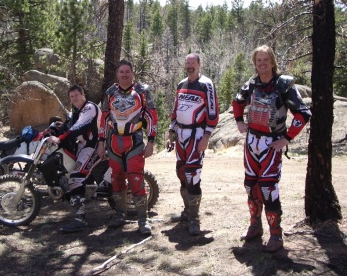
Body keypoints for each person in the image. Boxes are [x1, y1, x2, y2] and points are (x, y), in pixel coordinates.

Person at [232, 45, 312, 253]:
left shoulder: (284, 85)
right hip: (251, 142)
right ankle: (255, 226)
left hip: (272, 143)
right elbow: (237, 101)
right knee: (251, 186)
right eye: (258, 60)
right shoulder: (251, 84)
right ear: (254, 62)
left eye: (265, 60)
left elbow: (302, 114)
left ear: (273, 61)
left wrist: (286, 138)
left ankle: (276, 234)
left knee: (268, 188)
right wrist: (239, 121)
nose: (262, 64)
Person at [97, 59, 158, 235]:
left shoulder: (142, 91)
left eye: (127, 72)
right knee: (116, 179)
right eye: (121, 72)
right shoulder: (110, 92)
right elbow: (104, 119)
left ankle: (143, 220)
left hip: (135, 141)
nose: (124, 75)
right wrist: (101, 143)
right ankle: (119, 215)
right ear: (117, 74)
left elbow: (152, 117)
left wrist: (151, 142)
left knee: (136, 179)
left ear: (132, 73)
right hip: (114, 141)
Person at [166, 53, 219, 235]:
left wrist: (207, 136)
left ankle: (194, 219)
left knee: (193, 174)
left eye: (192, 63)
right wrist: (170, 132)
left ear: (199, 64)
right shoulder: (181, 84)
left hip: (197, 135)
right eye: (187, 63)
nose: (190, 66)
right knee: (181, 172)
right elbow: (175, 110)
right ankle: (187, 211)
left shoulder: (206, 84)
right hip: (180, 134)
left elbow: (213, 112)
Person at [47, 84, 102, 232]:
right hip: (84, 145)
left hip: (95, 146)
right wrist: (54, 130)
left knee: (76, 177)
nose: (74, 98)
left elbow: (77, 127)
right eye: (71, 97)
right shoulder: (78, 110)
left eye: (76, 95)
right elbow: (69, 125)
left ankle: (80, 219)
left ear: (83, 94)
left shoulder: (89, 108)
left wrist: (59, 139)